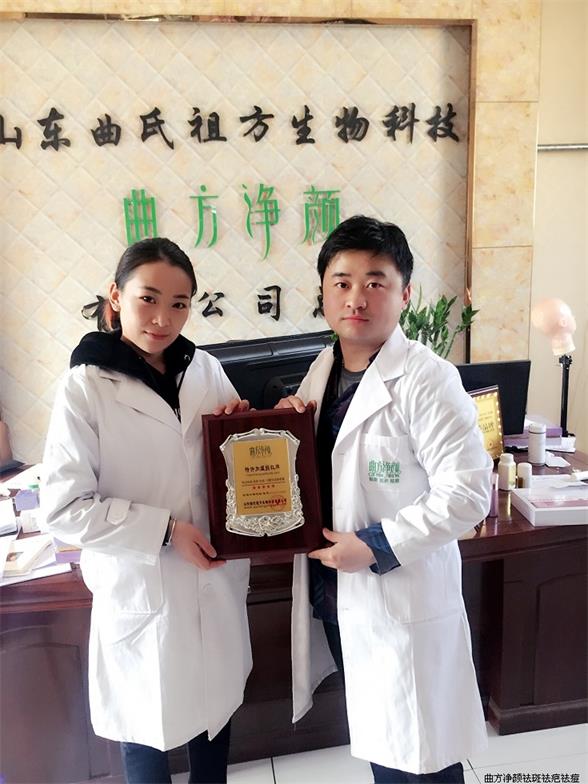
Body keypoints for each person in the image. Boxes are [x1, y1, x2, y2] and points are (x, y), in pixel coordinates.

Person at [277, 216, 492, 783]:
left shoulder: (427, 378)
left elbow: (469, 493)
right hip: (339, 598)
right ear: (323, 292)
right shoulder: (322, 369)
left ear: (405, 294)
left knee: (420, 757)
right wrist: (279, 429)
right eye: (342, 282)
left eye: (376, 282)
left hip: (400, 596)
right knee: (386, 746)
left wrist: (375, 546)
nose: (357, 297)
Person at [41, 238, 252, 784]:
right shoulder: (85, 386)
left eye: (179, 304)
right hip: (142, 588)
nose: (163, 319)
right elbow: (63, 508)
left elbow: (231, 460)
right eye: (148, 299)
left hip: (212, 582)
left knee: (214, 723)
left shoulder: (204, 370)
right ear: (116, 296)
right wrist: (165, 531)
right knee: (144, 731)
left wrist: (243, 426)